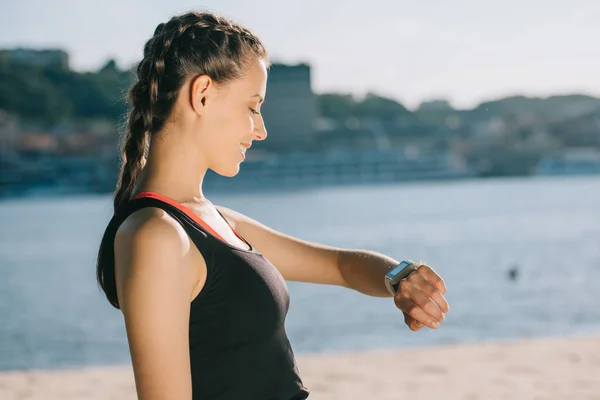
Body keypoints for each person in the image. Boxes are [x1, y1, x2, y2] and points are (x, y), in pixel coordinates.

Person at [96, 10, 449, 400]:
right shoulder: (157, 236)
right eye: (252, 107)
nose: (261, 129)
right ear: (202, 95)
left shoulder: (213, 222)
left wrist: (400, 277)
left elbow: (340, 266)